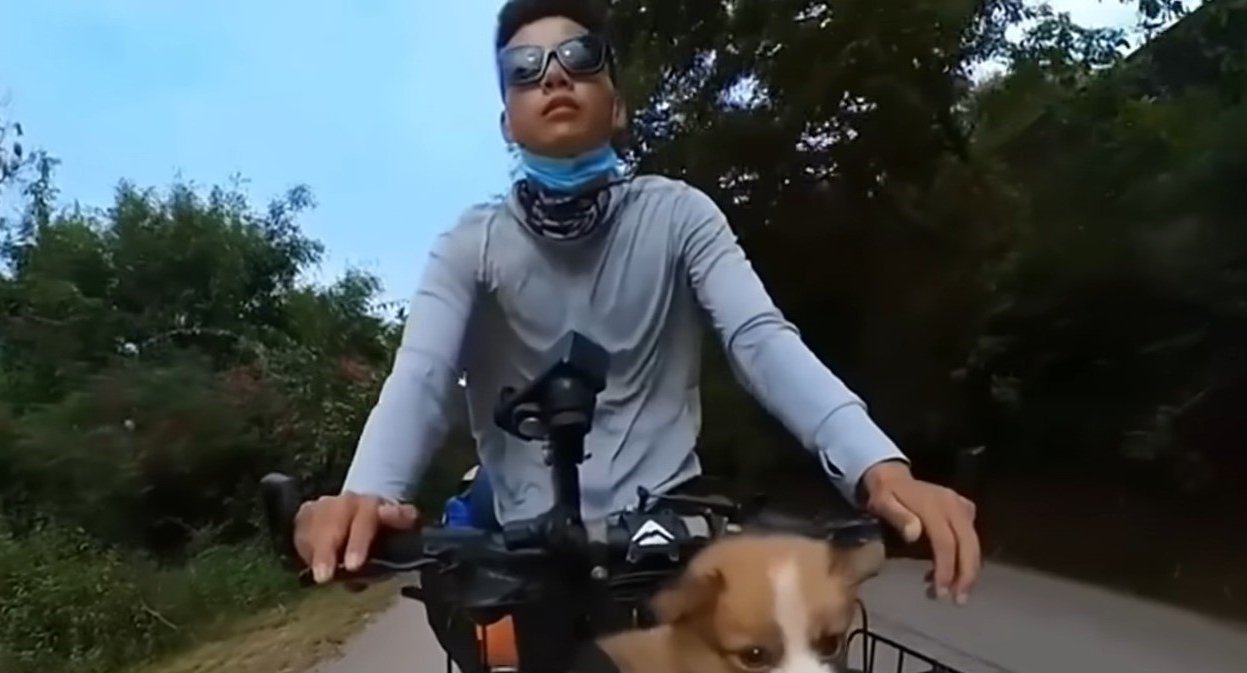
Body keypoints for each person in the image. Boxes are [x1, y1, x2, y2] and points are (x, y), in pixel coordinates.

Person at [294, 0, 981, 604]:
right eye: (523, 70)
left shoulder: (680, 216)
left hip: (670, 537)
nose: (553, 77)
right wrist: (367, 497)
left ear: (617, 104)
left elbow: (759, 338)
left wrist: (878, 467)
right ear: (506, 121)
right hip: (522, 552)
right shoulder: (469, 244)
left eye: (580, 58)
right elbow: (423, 374)